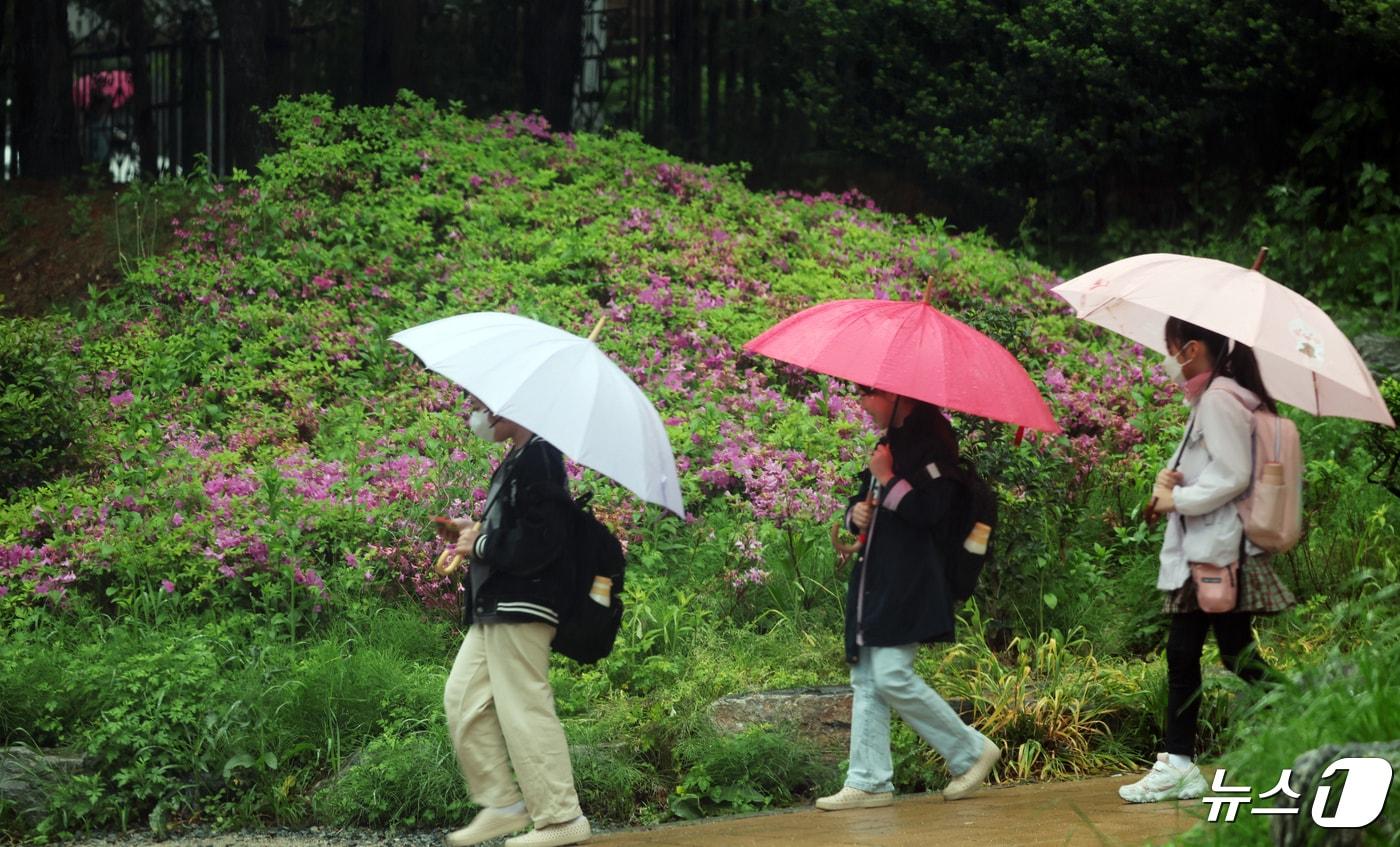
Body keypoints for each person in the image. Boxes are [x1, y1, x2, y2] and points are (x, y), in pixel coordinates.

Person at [1118, 317, 1294, 804]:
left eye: (1171, 348)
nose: (1168, 359)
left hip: (1214, 553)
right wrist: (1175, 483)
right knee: (1237, 655)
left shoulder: (1218, 399)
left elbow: (1233, 475)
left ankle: (1177, 765)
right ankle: (1317, 709)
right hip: (1213, 549)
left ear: (1191, 349)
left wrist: (1180, 500)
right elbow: (1219, 468)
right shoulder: (1217, 398)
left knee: (1183, 654)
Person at [815, 386, 1001, 812]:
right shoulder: (891, 445)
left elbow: (927, 512)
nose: (861, 403)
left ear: (896, 396)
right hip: (877, 580)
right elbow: (864, 503)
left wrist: (886, 478)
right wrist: (854, 513)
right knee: (867, 677)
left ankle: (970, 752)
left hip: (910, 582)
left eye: (867, 394)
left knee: (892, 674)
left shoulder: (933, 449)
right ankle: (868, 781)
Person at [439, 404, 592, 847]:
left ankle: (562, 817)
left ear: (515, 406)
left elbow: (544, 541)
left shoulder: (542, 457)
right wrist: (474, 530)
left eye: (485, 405)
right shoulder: (519, 457)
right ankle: (502, 803)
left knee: (523, 706)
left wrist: (482, 542)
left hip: (524, 603)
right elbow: (517, 528)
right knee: (462, 696)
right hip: (496, 603)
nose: (477, 414)